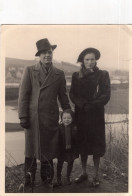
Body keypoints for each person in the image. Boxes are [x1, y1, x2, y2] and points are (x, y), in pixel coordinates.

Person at [18, 38, 71, 186]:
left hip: (50, 117)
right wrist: (23, 116)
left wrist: (67, 111)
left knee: (48, 149)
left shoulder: (59, 74)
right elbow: (23, 95)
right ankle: (28, 181)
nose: (47, 55)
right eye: (43, 53)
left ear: (52, 53)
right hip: (32, 119)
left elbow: (63, 96)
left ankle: (47, 180)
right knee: (30, 150)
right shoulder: (29, 70)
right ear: (39, 56)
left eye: (49, 52)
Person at [69, 48, 111, 186]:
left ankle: (96, 175)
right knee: (83, 145)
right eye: (87, 59)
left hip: (96, 116)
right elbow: (72, 94)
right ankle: (84, 172)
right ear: (82, 61)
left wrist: (91, 105)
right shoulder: (76, 75)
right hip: (81, 115)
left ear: (96, 60)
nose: (90, 62)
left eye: (92, 59)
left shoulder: (103, 75)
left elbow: (106, 95)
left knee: (96, 146)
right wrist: (82, 104)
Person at [55, 109, 79, 186]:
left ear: (72, 119)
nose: (66, 120)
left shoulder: (74, 128)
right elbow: (57, 139)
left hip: (71, 149)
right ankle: (58, 177)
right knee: (60, 163)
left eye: (69, 118)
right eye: (64, 118)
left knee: (70, 162)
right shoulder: (59, 127)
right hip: (61, 150)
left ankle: (68, 176)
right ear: (61, 119)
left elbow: (77, 140)